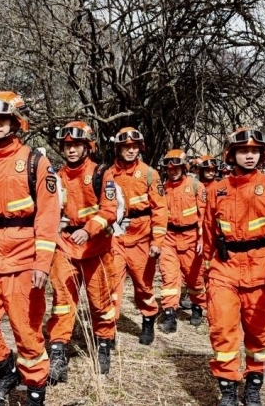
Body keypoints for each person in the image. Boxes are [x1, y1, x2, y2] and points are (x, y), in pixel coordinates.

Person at [0, 91, 60, 406]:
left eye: (2, 118)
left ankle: (35, 394)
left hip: (24, 258)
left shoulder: (35, 162)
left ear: (16, 122)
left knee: (27, 334)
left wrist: (42, 263)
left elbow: (48, 215)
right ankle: (7, 369)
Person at [202, 128, 265, 406]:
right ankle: (228, 390)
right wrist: (207, 269)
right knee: (222, 329)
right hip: (224, 270)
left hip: (262, 271)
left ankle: (254, 386)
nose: (249, 156)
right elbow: (208, 232)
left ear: (262, 155)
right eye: (243, 151)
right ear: (231, 155)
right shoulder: (217, 190)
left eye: (254, 151)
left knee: (262, 334)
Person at [46, 121, 118, 383]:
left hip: (96, 247)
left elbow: (109, 210)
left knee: (100, 302)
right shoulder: (56, 177)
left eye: (77, 145)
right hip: (65, 246)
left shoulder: (101, 173)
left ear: (88, 147)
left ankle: (104, 343)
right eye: (67, 145)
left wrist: (88, 230)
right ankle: (58, 352)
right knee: (62, 301)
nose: (71, 149)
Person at [108, 126, 171, 345]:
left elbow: (160, 209)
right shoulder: (108, 174)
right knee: (111, 285)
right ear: (118, 149)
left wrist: (157, 242)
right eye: (126, 146)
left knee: (143, 286)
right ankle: (108, 330)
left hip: (142, 239)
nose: (131, 150)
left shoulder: (149, 174)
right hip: (116, 238)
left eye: (134, 146)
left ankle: (148, 319)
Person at [160, 149, 206, 329]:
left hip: (192, 238)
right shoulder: (163, 188)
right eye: (170, 169)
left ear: (184, 167)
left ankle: (198, 306)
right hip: (169, 238)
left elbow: (204, 216)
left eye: (176, 168)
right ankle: (169, 313)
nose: (173, 171)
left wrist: (202, 239)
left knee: (195, 278)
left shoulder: (196, 186)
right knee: (169, 276)